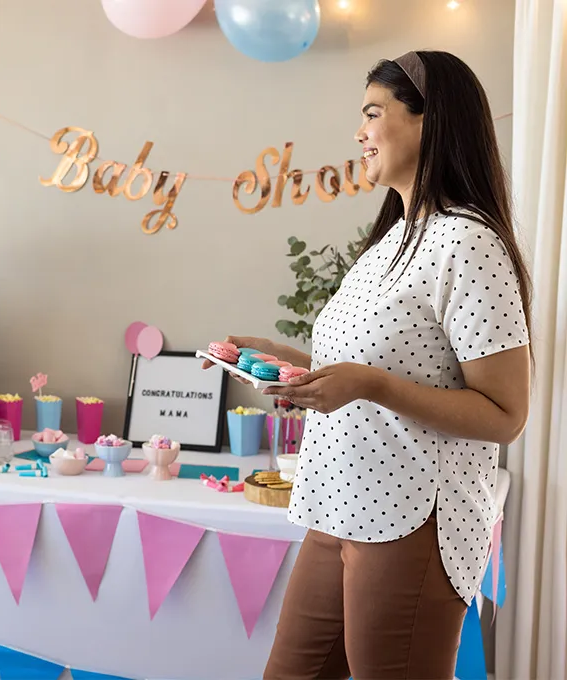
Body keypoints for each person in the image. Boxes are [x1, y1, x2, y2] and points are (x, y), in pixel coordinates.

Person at [207, 51, 532, 678]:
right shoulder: (393, 238)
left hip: (409, 517)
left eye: (372, 113)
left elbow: (505, 414)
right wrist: (286, 363)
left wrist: (373, 385)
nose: (359, 132)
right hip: (337, 501)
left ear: (428, 122)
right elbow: (364, 367)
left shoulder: (468, 241)